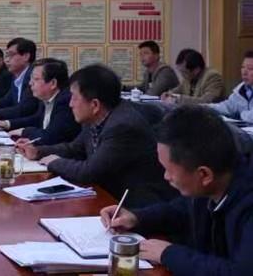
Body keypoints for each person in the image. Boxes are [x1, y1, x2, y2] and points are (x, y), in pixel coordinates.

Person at [100, 105, 253, 275]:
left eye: (169, 170)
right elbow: (181, 210)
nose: (166, 176)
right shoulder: (213, 184)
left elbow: (240, 272)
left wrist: (168, 254)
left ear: (204, 174)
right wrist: (137, 217)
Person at [18, 64, 176, 207]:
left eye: (74, 97)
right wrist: (38, 151)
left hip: (136, 206)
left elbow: (89, 172)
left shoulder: (122, 126)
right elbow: (74, 149)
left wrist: (54, 162)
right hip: (108, 198)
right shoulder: (96, 117)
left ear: (94, 105)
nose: (70, 104)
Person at [6, 58, 80, 146]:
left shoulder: (65, 102)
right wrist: (7, 123)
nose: (30, 83)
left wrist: (24, 131)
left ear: (53, 83)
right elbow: (36, 119)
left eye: (36, 79)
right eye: (31, 79)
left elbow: (51, 137)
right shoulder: (46, 98)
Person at [207, 50, 253, 122]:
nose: (244, 72)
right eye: (243, 67)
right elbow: (228, 106)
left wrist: (242, 114)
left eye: (250, 68)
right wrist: (205, 107)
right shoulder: (241, 90)